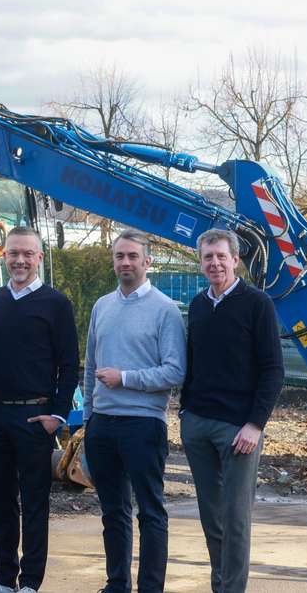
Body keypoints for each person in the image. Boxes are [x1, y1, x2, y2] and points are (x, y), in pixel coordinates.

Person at [0, 226, 80, 593]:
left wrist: (58, 415)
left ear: (38, 257)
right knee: (1, 503)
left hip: (35, 418)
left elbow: (69, 365)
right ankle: (4, 579)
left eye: (27, 254)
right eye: (13, 253)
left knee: (35, 504)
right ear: (5, 255)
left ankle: (30, 581)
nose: (20, 260)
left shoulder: (56, 303)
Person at [83, 229, 186, 593]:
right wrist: (87, 417)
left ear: (147, 261)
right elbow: (90, 364)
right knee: (113, 512)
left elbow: (174, 371)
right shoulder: (102, 306)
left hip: (143, 425)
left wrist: (125, 378)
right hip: (102, 426)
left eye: (132, 256)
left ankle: (150, 588)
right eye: (119, 256)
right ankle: (117, 585)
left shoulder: (165, 311)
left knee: (151, 512)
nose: (125, 262)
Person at [180, 228, 283, 593]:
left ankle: (232, 589)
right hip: (197, 425)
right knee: (211, 517)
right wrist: (185, 415)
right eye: (208, 257)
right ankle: (219, 585)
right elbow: (193, 364)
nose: (215, 263)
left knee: (236, 517)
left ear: (235, 259)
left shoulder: (257, 304)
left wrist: (255, 424)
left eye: (221, 256)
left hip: (239, 429)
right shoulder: (197, 305)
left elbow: (273, 369)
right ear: (200, 261)